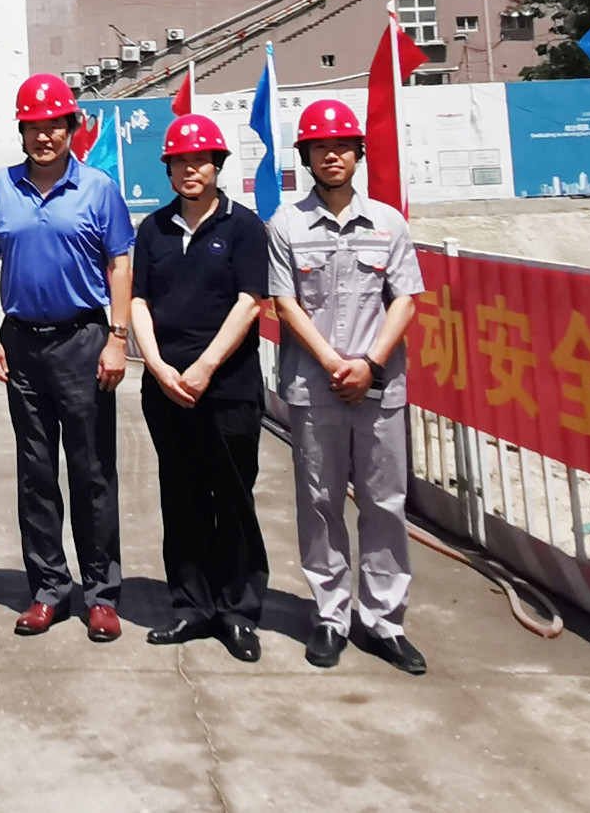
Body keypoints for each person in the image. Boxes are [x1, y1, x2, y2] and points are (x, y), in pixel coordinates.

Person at [266, 98, 430, 675]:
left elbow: (404, 299)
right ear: (306, 156)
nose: (331, 155)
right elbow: (286, 303)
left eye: (341, 146)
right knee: (320, 501)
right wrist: (335, 362)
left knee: (385, 502)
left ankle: (384, 621)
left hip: (379, 389)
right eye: (320, 147)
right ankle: (331, 614)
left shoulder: (389, 223)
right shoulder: (286, 225)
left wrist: (371, 365)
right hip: (315, 388)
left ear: (358, 153)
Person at [0, 74, 133, 641]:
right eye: (34, 127)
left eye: (54, 126)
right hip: (22, 343)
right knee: (35, 472)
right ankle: (48, 589)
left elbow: (120, 263)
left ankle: (101, 593)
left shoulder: (98, 189)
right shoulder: (0, 188)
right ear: (22, 131)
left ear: (70, 128)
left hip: (83, 341)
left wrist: (118, 337)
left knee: (92, 471)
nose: (44, 136)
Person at [130, 113, 272, 662]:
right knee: (182, 495)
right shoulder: (154, 229)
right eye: (181, 162)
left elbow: (250, 302)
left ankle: (237, 612)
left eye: (201, 160)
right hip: (167, 389)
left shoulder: (243, 227)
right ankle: (190, 605)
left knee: (233, 497)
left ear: (217, 166)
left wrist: (206, 367)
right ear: (168, 170)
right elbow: (138, 300)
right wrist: (158, 367)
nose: (191, 170)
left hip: (228, 386)